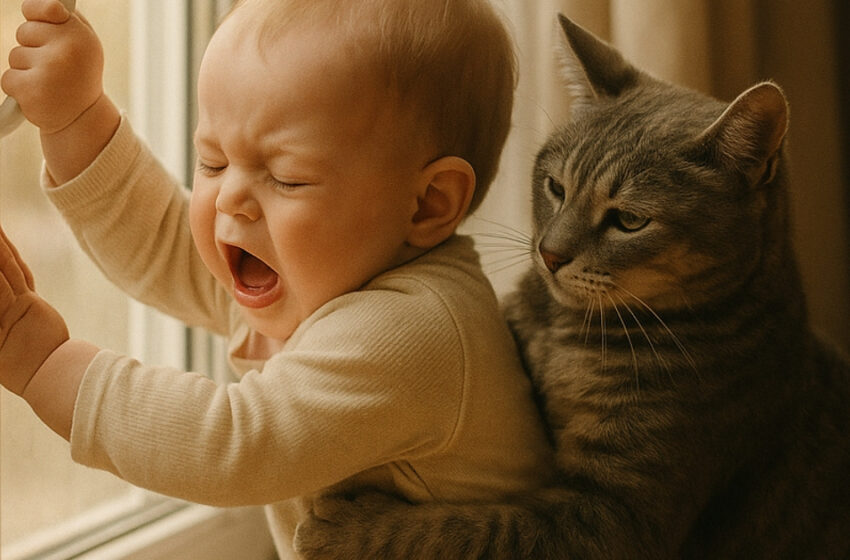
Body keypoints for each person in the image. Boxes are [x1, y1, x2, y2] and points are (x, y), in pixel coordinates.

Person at [0, 0, 555, 557]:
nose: (229, 199)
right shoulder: (325, 268)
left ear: (428, 203)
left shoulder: (416, 327)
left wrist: (42, 361)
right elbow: (165, 245)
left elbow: (236, 445)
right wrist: (76, 118)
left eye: (287, 178)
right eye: (212, 162)